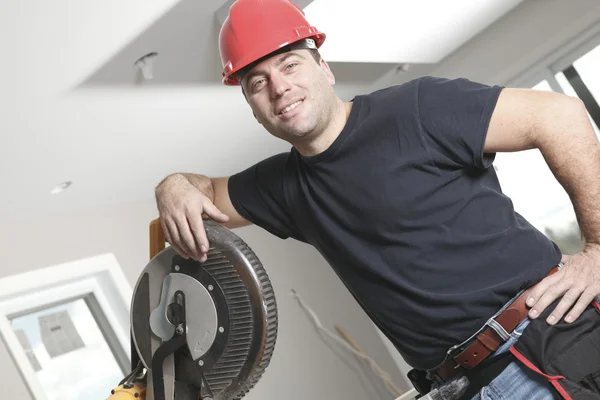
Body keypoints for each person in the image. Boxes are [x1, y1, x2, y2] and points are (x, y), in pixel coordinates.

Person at [154, 0, 600, 398]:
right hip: (461, 384)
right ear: (253, 107)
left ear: (323, 68)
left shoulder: (418, 108)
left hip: (545, 347)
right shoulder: (281, 186)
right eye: (257, 81)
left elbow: (558, 115)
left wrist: (599, 250)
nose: (278, 87)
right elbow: (202, 193)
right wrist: (171, 184)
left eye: (289, 65)